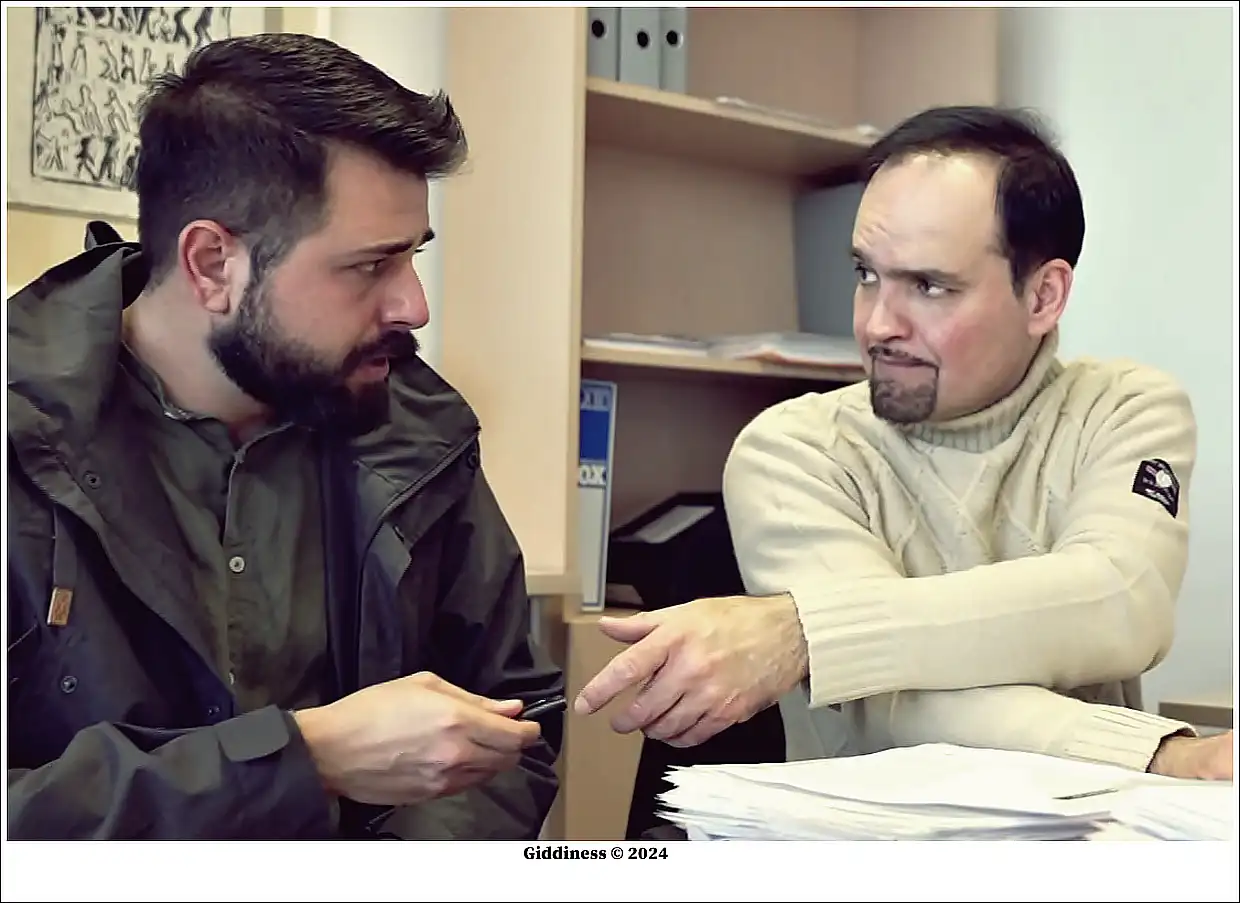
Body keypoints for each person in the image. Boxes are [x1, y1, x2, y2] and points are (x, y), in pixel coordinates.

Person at [7, 33, 566, 840]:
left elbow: (515, 724)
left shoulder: (420, 431)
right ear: (213, 264)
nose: (414, 305)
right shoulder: (20, 435)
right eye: (370, 266)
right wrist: (300, 759)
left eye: (413, 256)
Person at [574, 105, 1232, 782]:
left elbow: (1122, 601)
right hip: (875, 833)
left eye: (928, 285)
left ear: (1043, 296)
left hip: (1097, 831)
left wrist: (808, 631)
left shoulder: (1124, 408)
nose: (877, 325)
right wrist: (1158, 756)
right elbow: (894, 707)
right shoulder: (792, 449)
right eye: (866, 275)